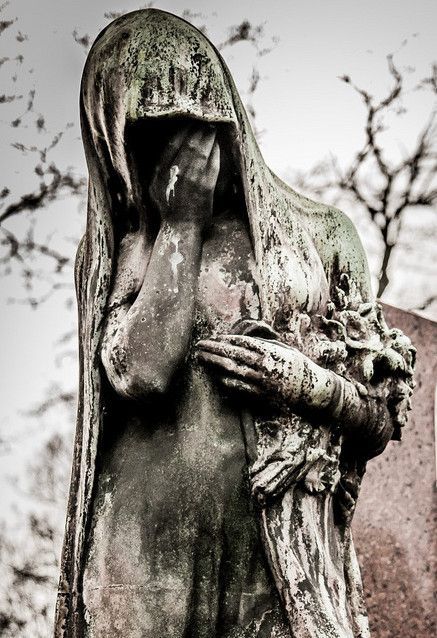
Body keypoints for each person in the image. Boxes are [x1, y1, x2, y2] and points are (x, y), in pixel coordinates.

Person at [55, 9, 415, 638]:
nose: (179, 148)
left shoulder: (320, 237)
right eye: (150, 133)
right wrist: (182, 225)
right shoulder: (120, 251)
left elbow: (383, 414)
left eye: (193, 124)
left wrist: (305, 383)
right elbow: (139, 373)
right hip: (137, 565)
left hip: (273, 556)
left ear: (226, 120)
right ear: (113, 144)